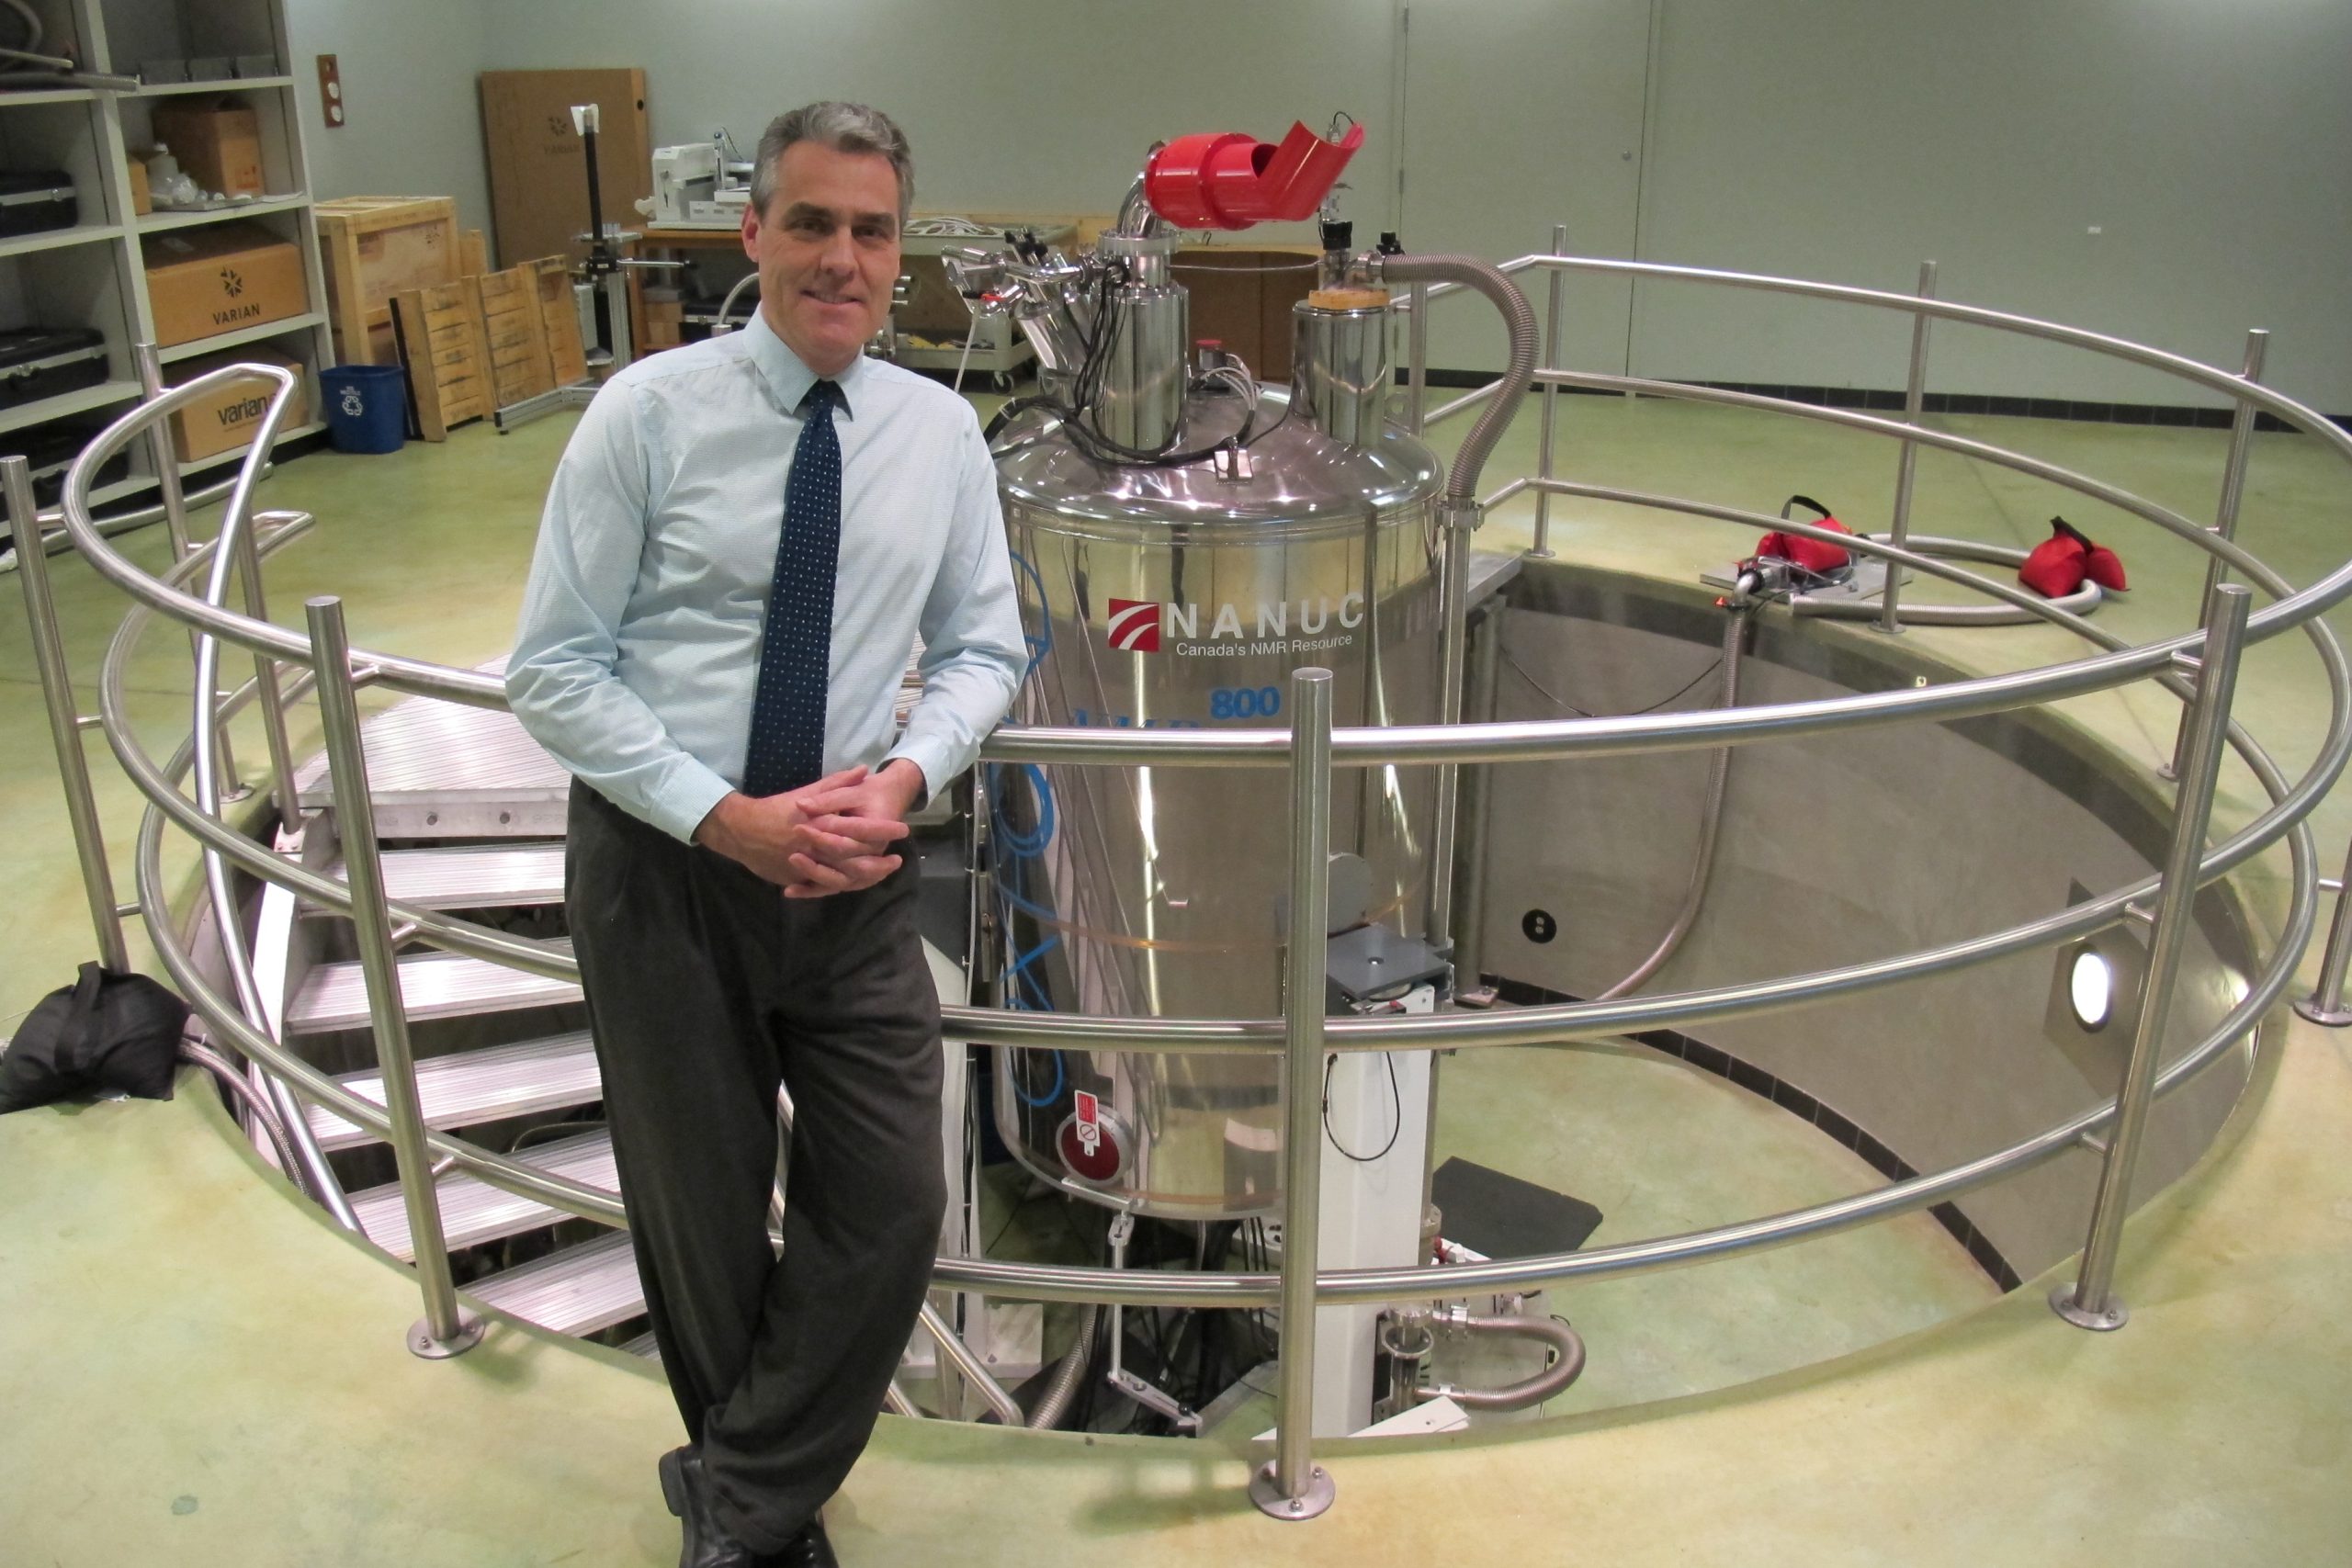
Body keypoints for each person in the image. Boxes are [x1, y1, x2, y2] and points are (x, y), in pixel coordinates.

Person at [507, 100, 1026, 1568]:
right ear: (754, 232)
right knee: (703, 1220)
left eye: (871, 230)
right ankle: (766, 1520)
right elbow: (553, 666)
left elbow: (986, 647)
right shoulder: (649, 415)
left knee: (892, 1200)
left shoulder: (936, 436)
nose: (842, 259)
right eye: (811, 222)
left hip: (855, 877)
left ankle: (738, 1493)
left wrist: (913, 775)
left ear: (899, 251)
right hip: (666, 872)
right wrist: (716, 816)